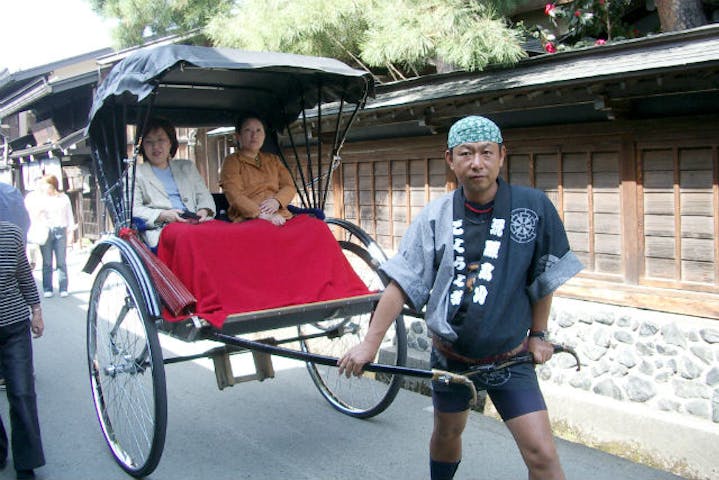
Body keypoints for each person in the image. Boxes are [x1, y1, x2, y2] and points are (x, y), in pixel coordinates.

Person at [338, 116, 584, 480]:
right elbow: (402, 282)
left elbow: (543, 278)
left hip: (509, 359)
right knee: (448, 432)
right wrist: (369, 344)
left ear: (502, 155)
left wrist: (539, 334)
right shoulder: (435, 216)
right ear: (450, 159)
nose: (477, 163)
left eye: (486, 153)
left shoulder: (533, 208)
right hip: (452, 357)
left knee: (542, 454)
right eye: (465, 154)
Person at [0, 220, 45, 479]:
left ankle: (26, 463)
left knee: (21, 393)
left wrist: (36, 311)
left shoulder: (11, 233)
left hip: (14, 323)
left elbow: (23, 275)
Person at [132, 117, 216, 248]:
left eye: (161, 140)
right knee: (189, 236)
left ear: (170, 142)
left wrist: (203, 211)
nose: (156, 147)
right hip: (164, 227)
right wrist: (163, 215)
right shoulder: (136, 173)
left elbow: (203, 195)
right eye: (149, 142)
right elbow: (134, 209)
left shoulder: (187, 167)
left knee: (225, 232)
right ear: (142, 146)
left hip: (196, 221)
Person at [219, 115, 296, 225]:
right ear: (238, 136)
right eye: (248, 130)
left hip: (280, 213)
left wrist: (277, 201)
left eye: (258, 130)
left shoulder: (273, 160)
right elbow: (234, 194)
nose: (254, 135)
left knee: (317, 226)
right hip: (248, 217)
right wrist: (260, 214)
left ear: (264, 135)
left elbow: (289, 186)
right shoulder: (232, 161)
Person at [24, 175, 75, 298]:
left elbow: (69, 215)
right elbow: (33, 216)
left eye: (45, 184)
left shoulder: (63, 198)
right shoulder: (40, 199)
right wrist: (39, 211)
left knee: (61, 261)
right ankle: (48, 288)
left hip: (60, 230)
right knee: (47, 261)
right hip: (46, 230)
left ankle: (63, 287)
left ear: (52, 184)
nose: (44, 187)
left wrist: (71, 232)